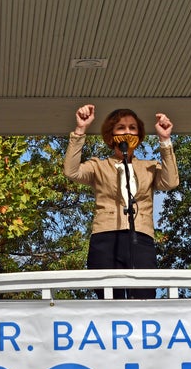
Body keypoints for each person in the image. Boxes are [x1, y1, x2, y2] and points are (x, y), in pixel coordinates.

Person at [64, 104, 179, 299]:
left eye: (133, 128)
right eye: (121, 127)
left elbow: (171, 181)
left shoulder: (149, 167)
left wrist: (165, 140)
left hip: (141, 237)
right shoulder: (98, 166)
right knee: (109, 297)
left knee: (144, 295)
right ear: (110, 136)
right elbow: (71, 171)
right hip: (105, 237)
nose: (127, 132)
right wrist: (80, 130)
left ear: (140, 135)